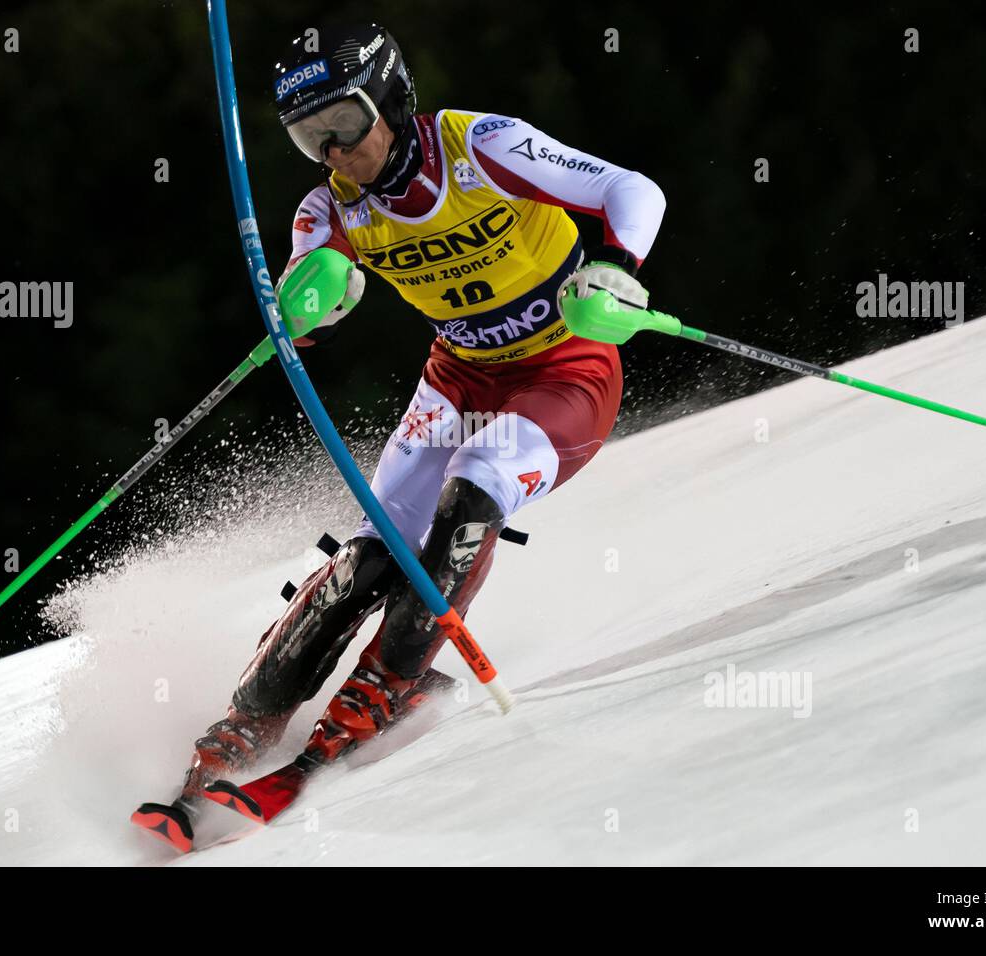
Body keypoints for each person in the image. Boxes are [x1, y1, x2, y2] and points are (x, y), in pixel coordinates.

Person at [133, 22, 665, 852]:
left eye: (344, 122)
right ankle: (245, 722)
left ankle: (386, 689)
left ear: (389, 96)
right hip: (457, 377)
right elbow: (310, 296)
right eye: (310, 137)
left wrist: (618, 266)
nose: (334, 150)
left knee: (475, 490)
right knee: (369, 558)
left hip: (568, 367)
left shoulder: (480, 146)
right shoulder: (328, 207)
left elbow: (635, 191)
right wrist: (300, 313)